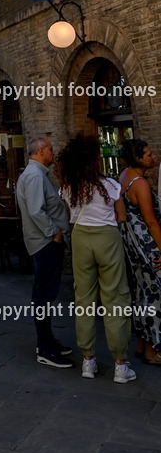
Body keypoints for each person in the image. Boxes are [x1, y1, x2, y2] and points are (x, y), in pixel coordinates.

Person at [58, 133, 135, 382]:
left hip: (80, 239)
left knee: (84, 298)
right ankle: (120, 365)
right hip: (107, 238)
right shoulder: (110, 185)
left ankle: (88, 361)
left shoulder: (69, 187)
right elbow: (121, 217)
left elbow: (71, 214)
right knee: (115, 296)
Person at [15, 135, 73, 368]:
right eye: (50, 149)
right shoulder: (34, 176)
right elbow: (37, 211)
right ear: (40, 151)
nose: (53, 152)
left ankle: (48, 341)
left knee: (45, 295)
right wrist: (54, 233)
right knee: (43, 296)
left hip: (46, 242)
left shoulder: (36, 175)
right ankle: (45, 348)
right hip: (45, 243)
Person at [119, 138, 161, 363]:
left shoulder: (124, 175)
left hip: (131, 243)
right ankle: (153, 351)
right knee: (155, 294)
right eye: (147, 153)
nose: (152, 156)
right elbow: (151, 221)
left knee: (141, 293)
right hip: (146, 243)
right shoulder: (140, 184)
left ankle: (141, 346)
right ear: (137, 158)